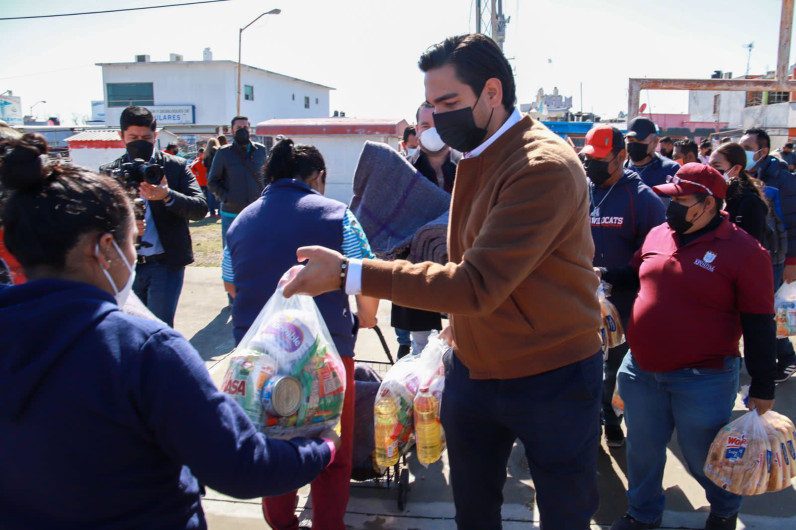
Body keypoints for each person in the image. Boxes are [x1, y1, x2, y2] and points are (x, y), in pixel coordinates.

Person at [282, 33, 604, 530]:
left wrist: (349, 273)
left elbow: (474, 283)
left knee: (564, 515)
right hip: (475, 369)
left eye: (449, 103)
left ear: (492, 93)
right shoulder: (477, 154)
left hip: (552, 374)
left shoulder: (541, 166)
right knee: (473, 512)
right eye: (431, 106)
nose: (438, 118)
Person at [0, 136, 338, 529]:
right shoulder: (143, 350)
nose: (134, 255)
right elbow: (241, 466)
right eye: (133, 242)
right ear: (105, 249)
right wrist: (321, 448)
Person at [603, 163, 776, 530]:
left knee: (704, 457)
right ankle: (643, 514)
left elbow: (759, 323)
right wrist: (603, 276)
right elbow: (636, 272)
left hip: (703, 377)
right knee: (643, 453)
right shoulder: (659, 234)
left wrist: (763, 384)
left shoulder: (745, 251)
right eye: (672, 199)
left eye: (681, 200)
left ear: (709, 204)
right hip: (642, 368)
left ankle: (724, 510)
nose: (672, 208)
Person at [224, 138, 379, 530]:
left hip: (258, 362)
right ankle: (328, 524)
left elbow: (230, 284)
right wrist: (367, 318)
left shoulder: (240, 221)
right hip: (325, 356)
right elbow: (367, 279)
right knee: (332, 446)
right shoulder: (338, 215)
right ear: (318, 178)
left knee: (273, 442)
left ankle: (282, 523)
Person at [580, 125, 665, 448]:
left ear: (621, 156)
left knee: (615, 367)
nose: (593, 166)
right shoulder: (582, 190)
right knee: (583, 366)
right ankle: (589, 423)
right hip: (581, 300)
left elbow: (657, 258)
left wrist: (614, 275)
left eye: (601, 159)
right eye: (589, 159)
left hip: (625, 303)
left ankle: (612, 419)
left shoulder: (644, 200)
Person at [100, 106, 207, 327]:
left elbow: (200, 208)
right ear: (121, 136)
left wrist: (168, 196)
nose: (140, 142)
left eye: (146, 138)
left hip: (165, 264)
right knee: (127, 328)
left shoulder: (175, 167)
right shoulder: (110, 172)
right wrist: (123, 228)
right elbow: (95, 222)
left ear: (155, 136)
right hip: (125, 265)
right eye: (133, 137)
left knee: (158, 328)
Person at [740, 127, 796, 381]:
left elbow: (792, 221)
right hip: (754, 256)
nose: (744, 153)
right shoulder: (745, 174)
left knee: (770, 311)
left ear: (762, 151)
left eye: (748, 149)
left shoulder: (780, 179)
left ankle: (786, 357)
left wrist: (792, 262)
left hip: (776, 258)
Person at [207, 116, 267, 302]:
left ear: (250, 129)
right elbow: (212, 181)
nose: (242, 130)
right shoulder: (224, 153)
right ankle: (233, 298)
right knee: (232, 255)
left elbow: (268, 176)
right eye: (238, 127)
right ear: (231, 131)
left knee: (258, 252)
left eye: (245, 127)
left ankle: (256, 293)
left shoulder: (261, 151)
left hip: (257, 213)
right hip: (231, 213)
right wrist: (227, 198)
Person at [708, 142, 768, 244]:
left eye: (716, 166)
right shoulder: (714, 195)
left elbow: (752, 247)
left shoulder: (751, 203)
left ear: (736, 169)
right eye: (709, 166)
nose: (711, 171)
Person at [625, 118, 680, 189]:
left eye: (641, 140)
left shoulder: (670, 169)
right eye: (631, 140)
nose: (635, 145)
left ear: (655, 141)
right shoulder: (621, 170)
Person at [191, 148, 217, 217]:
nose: (199, 155)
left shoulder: (207, 161)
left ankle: (212, 211)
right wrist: (195, 172)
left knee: (210, 197)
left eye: (201, 154)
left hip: (207, 182)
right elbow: (191, 168)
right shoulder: (196, 161)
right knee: (202, 197)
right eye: (198, 154)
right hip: (200, 183)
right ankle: (204, 210)